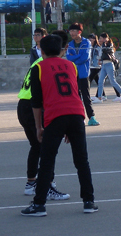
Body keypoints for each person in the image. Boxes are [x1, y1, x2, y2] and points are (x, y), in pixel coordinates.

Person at [21, 34, 97, 217]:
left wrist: (39, 127)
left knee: (47, 161)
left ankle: (39, 204)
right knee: (82, 160)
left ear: (42, 50)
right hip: (76, 114)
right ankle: (89, 201)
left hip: (55, 115)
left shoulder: (38, 67)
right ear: (62, 49)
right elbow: (75, 91)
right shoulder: (71, 65)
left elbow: (36, 102)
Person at [16, 29, 71, 202]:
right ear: (64, 48)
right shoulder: (51, 65)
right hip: (34, 107)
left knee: (36, 146)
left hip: (23, 106)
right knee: (48, 149)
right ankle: (47, 186)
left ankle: (31, 183)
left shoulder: (39, 62)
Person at [66, 23, 98, 126]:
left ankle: (91, 117)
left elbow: (85, 58)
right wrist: (78, 56)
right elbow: (68, 58)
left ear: (79, 32)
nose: (72, 33)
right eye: (70, 31)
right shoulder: (70, 44)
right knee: (76, 97)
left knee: (86, 96)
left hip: (84, 74)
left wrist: (75, 57)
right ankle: (80, 117)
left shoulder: (86, 42)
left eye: (74, 31)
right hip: (73, 74)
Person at [96, 32, 121, 102]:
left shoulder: (109, 45)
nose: (99, 40)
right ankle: (99, 98)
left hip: (109, 65)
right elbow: (102, 55)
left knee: (112, 81)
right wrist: (100, 60)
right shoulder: (102, 46)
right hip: (104, 65)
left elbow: (107, 51)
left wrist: (103, 44)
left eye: (101, 38)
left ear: (105, 38)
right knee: (100, 81)